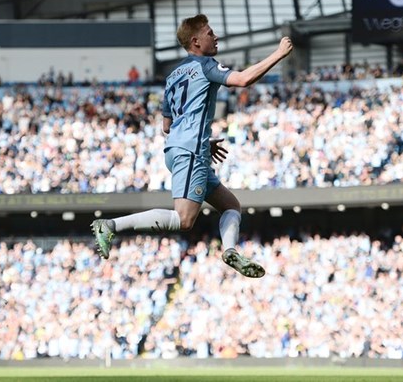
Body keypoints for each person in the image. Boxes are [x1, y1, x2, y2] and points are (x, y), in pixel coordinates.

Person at [91, 14, 293, 278]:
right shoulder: (207, 65)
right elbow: (242, 80)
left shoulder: (173, 75)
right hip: (191, 151)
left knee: (231, 206)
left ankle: (230, 251)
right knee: (184, 220)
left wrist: (200, 139)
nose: (215, 36)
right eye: (210, 33)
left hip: (179, 149)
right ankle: (110, 225)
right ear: (196, 42)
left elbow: (167, 124)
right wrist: (278, 53)